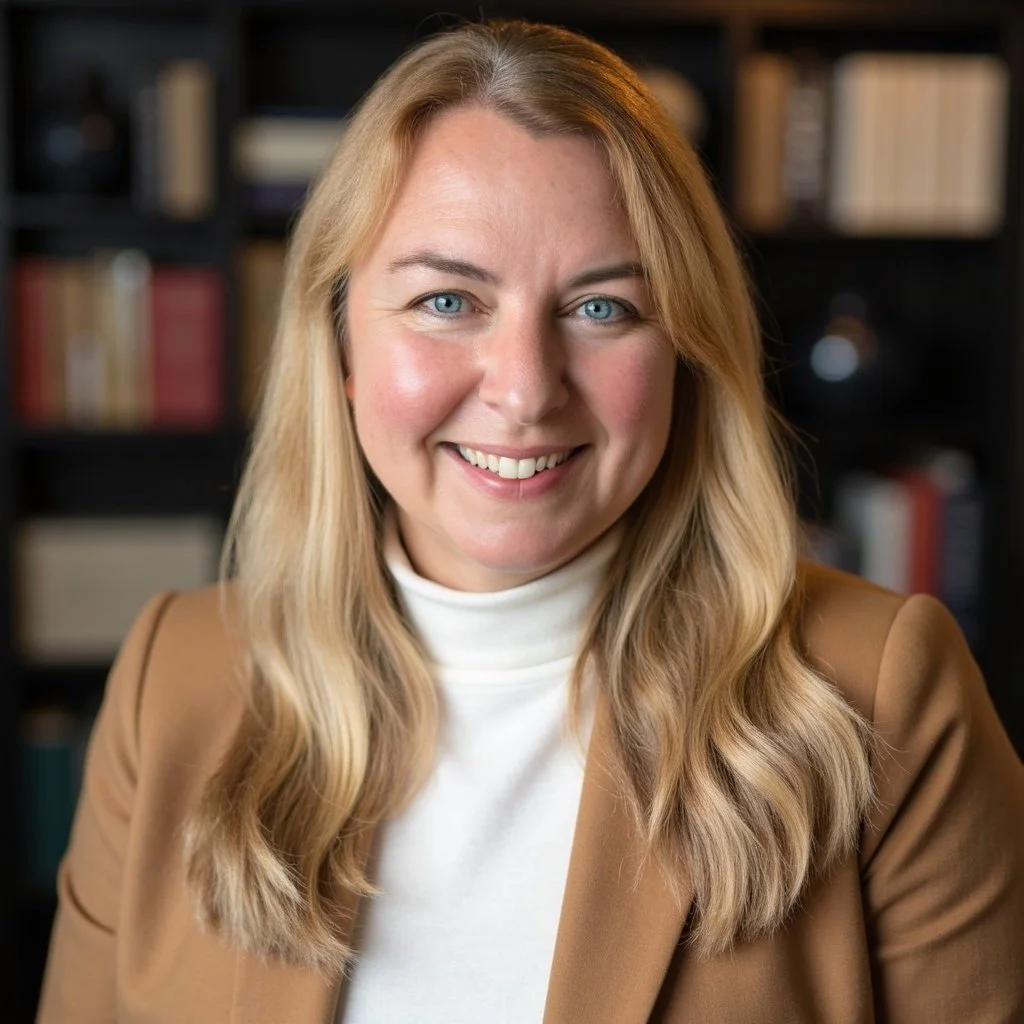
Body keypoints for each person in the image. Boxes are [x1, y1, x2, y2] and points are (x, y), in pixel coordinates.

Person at [38, 19, 1024, 1024]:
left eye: (601, 310)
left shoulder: (879, 692)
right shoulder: (174, 679)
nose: (523, 390)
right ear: (337, 341)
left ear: (685, 350)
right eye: (448, 299)